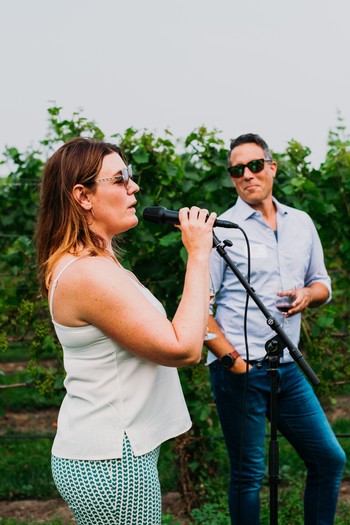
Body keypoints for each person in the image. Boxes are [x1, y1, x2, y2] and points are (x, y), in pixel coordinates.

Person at [35, 137, 217, 525]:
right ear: (83, 196)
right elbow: (183, 348)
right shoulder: (88, 274)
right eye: (120, 180)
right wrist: (199, 255)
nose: (134, 188)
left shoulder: (92, 264)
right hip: (112, 461)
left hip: (112, 451)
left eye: (129, 177)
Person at [204, 133, 346, 525]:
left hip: (286, 367)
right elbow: (200, 308)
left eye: (254, 165)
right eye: (237, 170)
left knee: (329, 459)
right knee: (249, 476)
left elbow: (323, 283)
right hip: (240, 371)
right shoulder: (222, 230)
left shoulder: (301, 223)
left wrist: (308, 295)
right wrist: (232, 362)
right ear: (232, 178)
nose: (247, 175)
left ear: (271, 167)